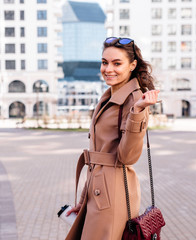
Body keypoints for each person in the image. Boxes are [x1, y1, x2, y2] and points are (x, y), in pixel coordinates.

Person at [65, 37, 160, 240]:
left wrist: (137, 112)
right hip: (99, 189)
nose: (108, 69)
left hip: (113, 192)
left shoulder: (135, 100)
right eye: (104, 62)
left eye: (117, 63)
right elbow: (99, 154)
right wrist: (84, 198)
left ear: (132, 65)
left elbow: (127, 157)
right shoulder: (109, 95)